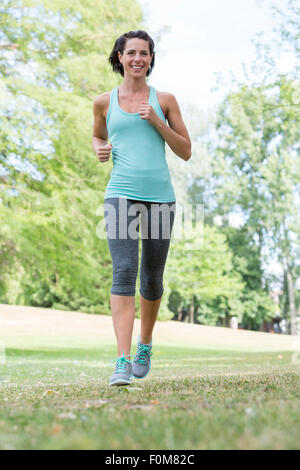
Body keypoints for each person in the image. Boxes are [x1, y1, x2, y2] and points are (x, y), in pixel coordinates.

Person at [92, 30, 191, 386]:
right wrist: (98, 148)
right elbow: (99, 134)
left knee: (151, 278)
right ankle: (121, 360)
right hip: (120, 193)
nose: (138, 59)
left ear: (151, 59)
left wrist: (156, 121)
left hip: (160, 197)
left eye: (144, 53)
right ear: (119, 56)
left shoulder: (164, 100)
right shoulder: (104, 102)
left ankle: (144, 344)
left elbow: (185, 150)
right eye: (131, 52)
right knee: (123, 270)